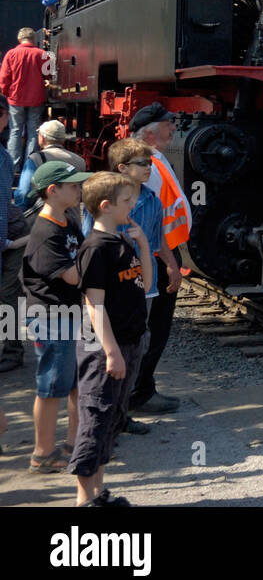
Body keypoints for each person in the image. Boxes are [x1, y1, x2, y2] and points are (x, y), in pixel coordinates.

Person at [67, 171, 151, 507]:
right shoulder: (97, 248)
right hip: (104, 348)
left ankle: (98, 493)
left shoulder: (121, 241)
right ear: (106, 206)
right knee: (96, 419)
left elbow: (145, 285)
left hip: (128, 341)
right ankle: (84, 499)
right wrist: (112, 351)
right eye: (127, 201)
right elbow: (94, 305)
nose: (133, 205)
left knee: (113, 420)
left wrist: (144, 245)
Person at [21, 160, 92, 473]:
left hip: (70, 312)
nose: (79, 190)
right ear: (53, 190)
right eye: (74, 186)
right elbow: (74, 276)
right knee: (52, 386)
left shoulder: (67, 220)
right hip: (52, 316)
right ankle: (43, 453)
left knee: (76, 382)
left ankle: (75, 444)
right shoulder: (46, 231)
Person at [128, 104, 187, 415]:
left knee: (155, 326)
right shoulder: (145, 166)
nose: (173, 128)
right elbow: (150, 222)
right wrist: (170, 263)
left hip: (158, 252)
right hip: (154, 256)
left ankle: (140, 388)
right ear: (150, 132)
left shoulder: (154, 159)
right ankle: (139, 393)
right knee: (155, 326)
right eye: (168, 123)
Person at [0, 28, 49, 163]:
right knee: (33, 132)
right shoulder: (42, 54)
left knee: (15, 131)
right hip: (36, 98)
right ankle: (30, 164)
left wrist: (6, 93)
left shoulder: (11, 54)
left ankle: (12, 165)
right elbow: (49, 75)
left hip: (16, 98)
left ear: (19, 39)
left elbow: (4, 77)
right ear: (33, 39)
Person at [15, 120, 86, 207]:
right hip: (72, 214)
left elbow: (24, 192)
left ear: (42, 138)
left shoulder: (35, 159)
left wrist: (21, 212)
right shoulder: (80, 161)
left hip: (44, 213)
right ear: (63, 139)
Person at [0, 100, 22, 372]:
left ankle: (12, 350)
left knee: (7, 293)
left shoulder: (2, 157)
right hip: (7, 234)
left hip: (8, 234)